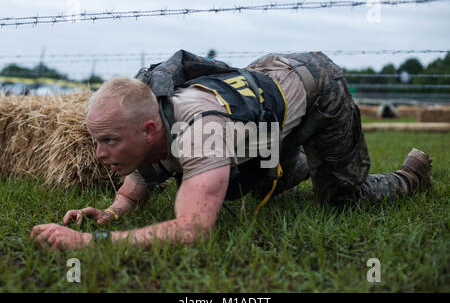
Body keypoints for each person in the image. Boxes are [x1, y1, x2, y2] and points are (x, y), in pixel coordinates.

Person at [30, 51, 432, 250]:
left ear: (150, 130)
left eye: (109, 141)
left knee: (341, 198)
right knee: (257, 182)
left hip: (315, 86)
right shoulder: (153, 120)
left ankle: (410, 174)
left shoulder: (201, 132)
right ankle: (310, 160)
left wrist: (90, 244)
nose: (100, 153)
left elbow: (193, 229)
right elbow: (143, 172)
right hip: (263, 102)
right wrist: (113, 211)